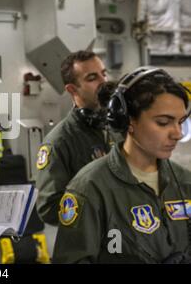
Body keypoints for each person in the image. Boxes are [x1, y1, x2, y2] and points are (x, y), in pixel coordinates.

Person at [53, 67, 191, 263]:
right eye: (163, 122)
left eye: (181, 122)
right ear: (128, 121)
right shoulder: (91, 187)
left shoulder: (185, 182)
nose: (177, 133)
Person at [36, 50, 115, 225]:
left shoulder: (118, 129)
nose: (104, 82)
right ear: (72, 89)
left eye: (104, 74)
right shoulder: (59, 141)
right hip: (91, 245)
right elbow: (49, 209)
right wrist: (103, 206)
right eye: (92, 78)